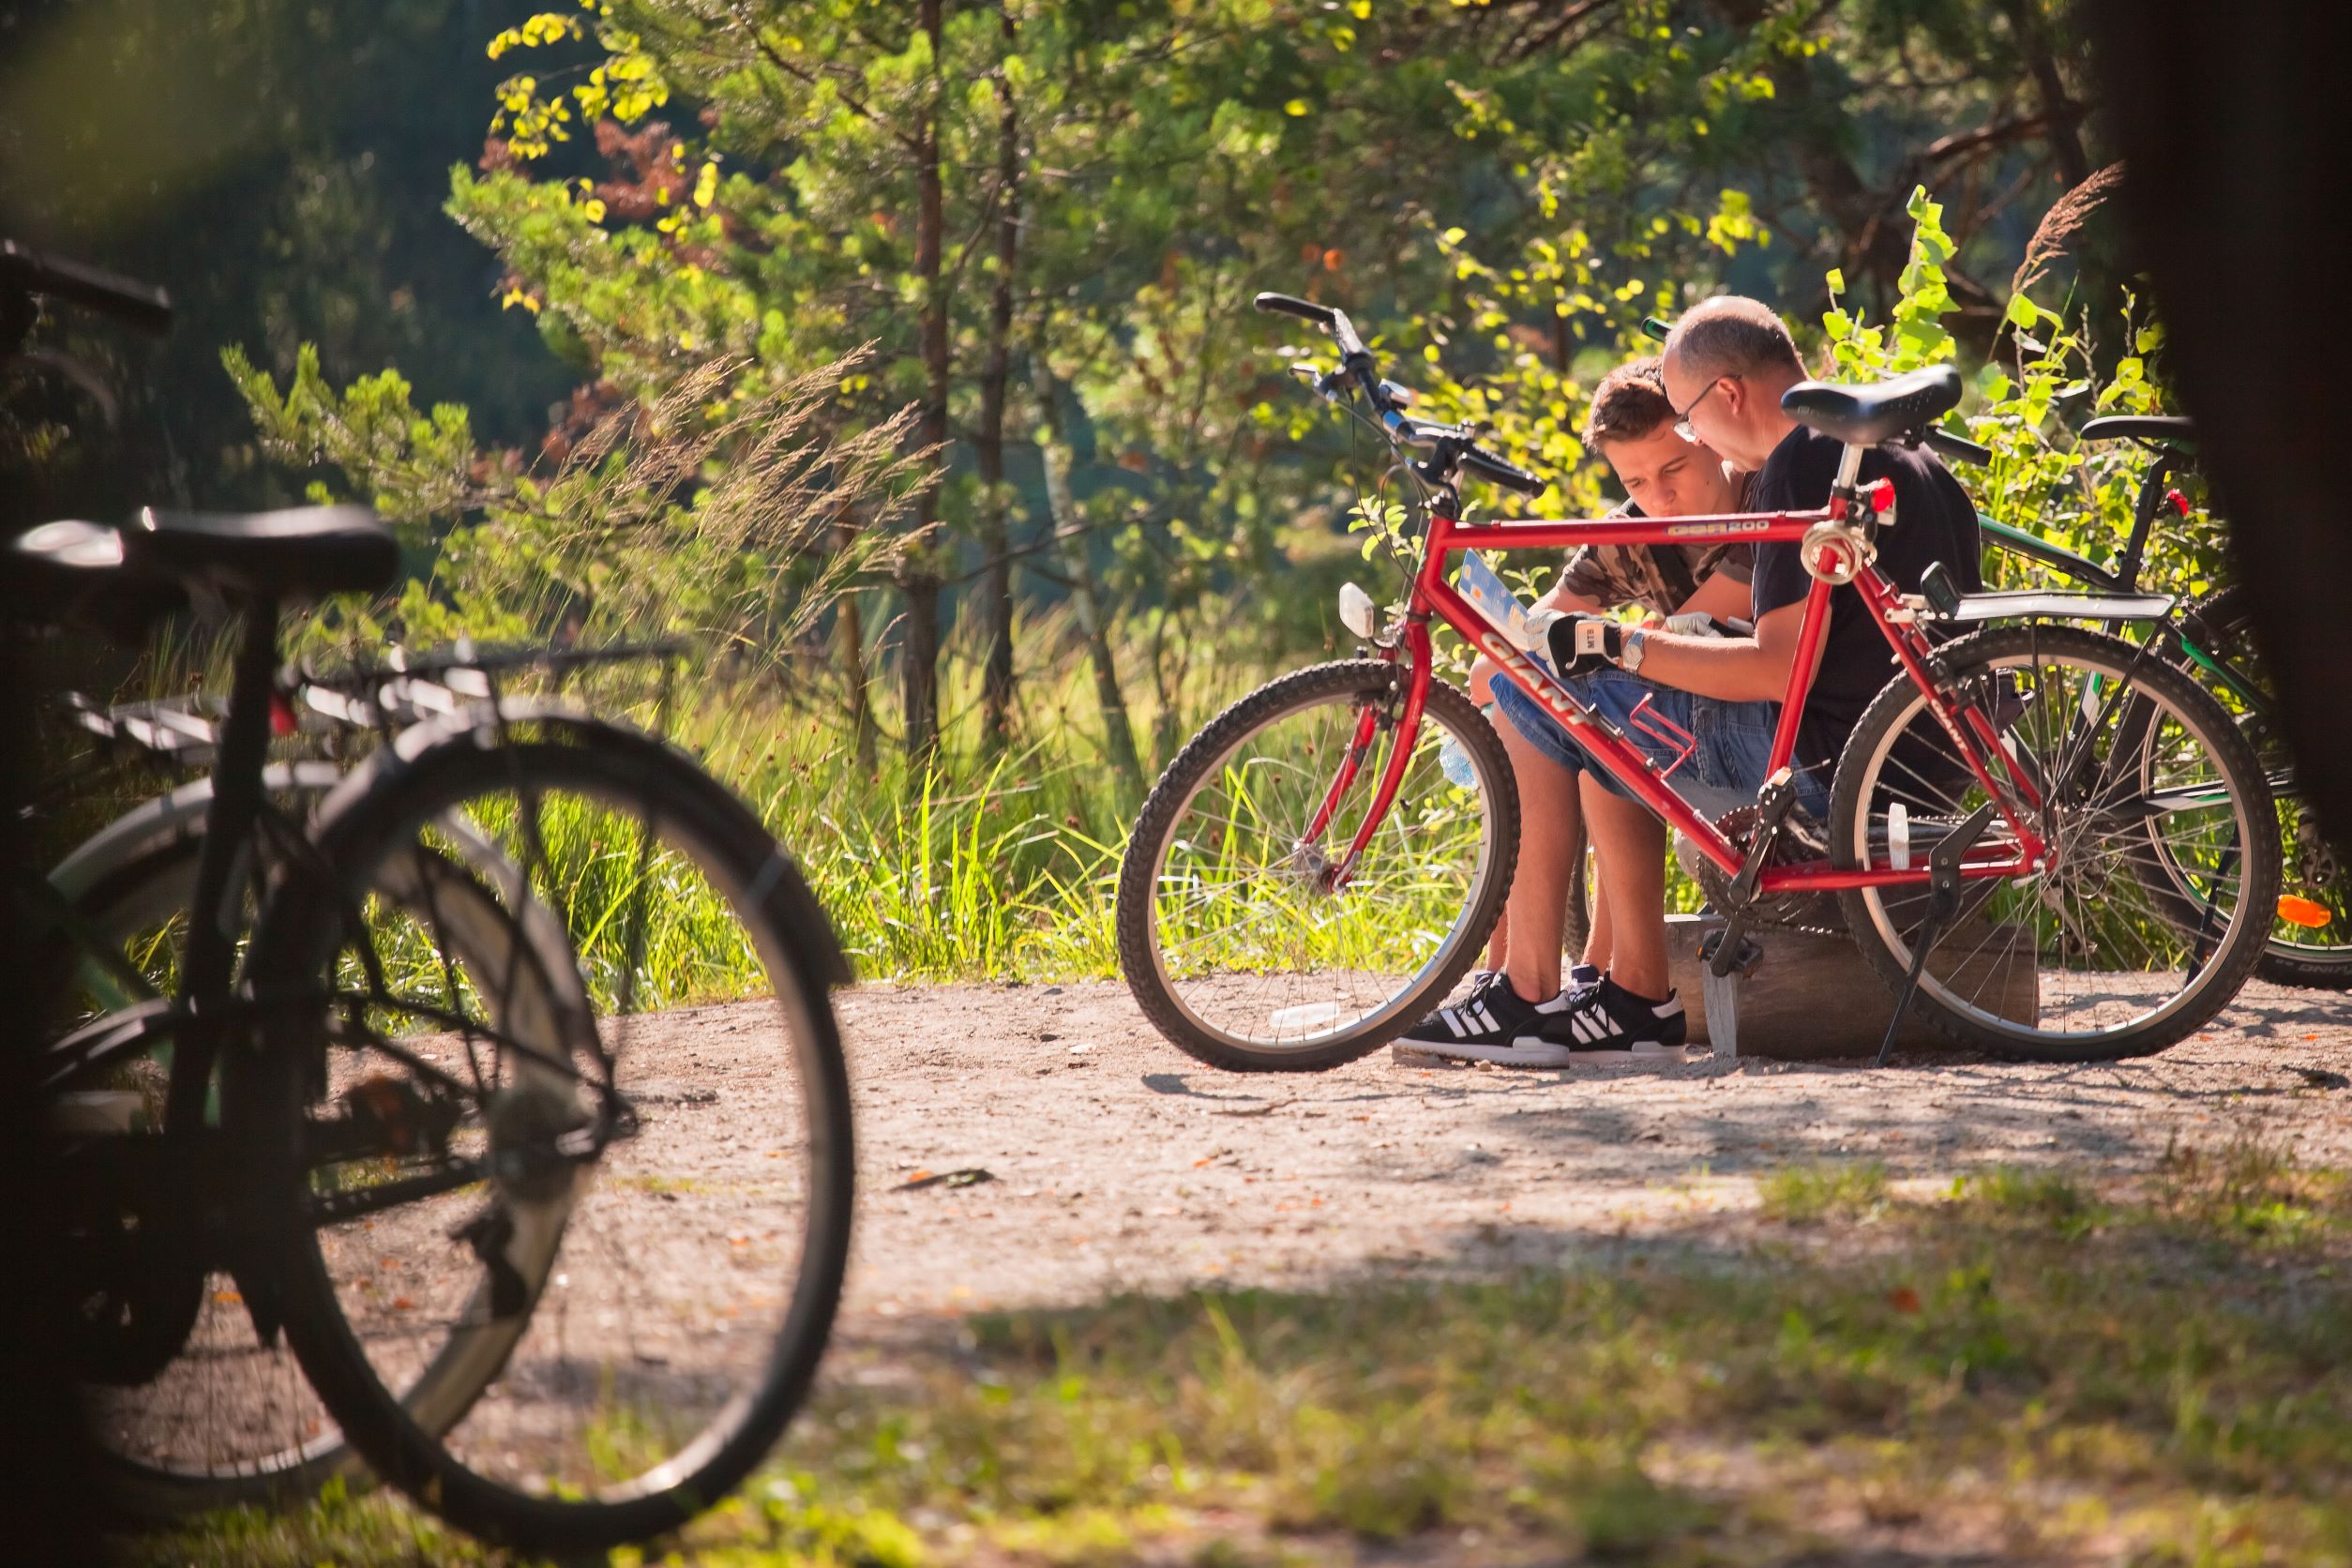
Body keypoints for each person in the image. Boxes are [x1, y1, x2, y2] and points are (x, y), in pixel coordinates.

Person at [1402, 295, 1981, 1065]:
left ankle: (1527, 993)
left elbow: (1777, 668)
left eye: (1687, 417)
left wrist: (1618, 647)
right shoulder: (1913, 460)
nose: (1692, 434)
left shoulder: (1801, 464)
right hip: (1921, 769)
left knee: (1527, 687)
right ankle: (1627, 998)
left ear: (1728, 395)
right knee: (1605, 724)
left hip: (1826, 769)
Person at [1450, 356, 1754, 1023]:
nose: (1659, 498)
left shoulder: (1760, 498)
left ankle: (1564, 981)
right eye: (1635, 480)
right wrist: (1507, 659)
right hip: (1693, 733)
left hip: (1762, 736)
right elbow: (1532, 633)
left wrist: (1582, 651)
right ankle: (1523, 974)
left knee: (1593, 722)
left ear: (1704, 432)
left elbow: (1687, 635)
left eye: (1671, 469)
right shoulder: (1629, 534)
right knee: (1534, 706)